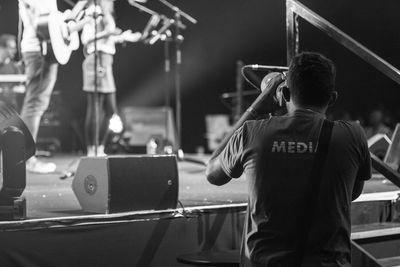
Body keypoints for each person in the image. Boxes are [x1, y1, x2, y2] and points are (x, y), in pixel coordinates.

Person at [206, 52, 371, 266]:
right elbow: (352, 193)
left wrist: (255, 107)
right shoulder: (352, 136)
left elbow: (213, 173)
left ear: (283, 93)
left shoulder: (252, 133)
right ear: (332, 98)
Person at [18, 0, 59, 173]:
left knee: (36, 104)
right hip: (39, 49)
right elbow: (41, 20)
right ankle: (27, 159)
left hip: (42, 49)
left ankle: (24, 157)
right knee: (34, 104)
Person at [81, 0, 124, 156]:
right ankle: (92, 148)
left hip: (106, 59)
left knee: (110, 108)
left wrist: (121, 36)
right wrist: (109, 31)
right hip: (96, 59)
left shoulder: (105, 14)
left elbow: (108, 36)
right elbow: (87, 39)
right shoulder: (94, 12)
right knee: (95, 106)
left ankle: (99, 147)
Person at [0, 34, 24, 109]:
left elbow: (21, 87)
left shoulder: (15, 67)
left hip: (8, 109)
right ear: (1, 48)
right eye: (12, 48)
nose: (15, 51)